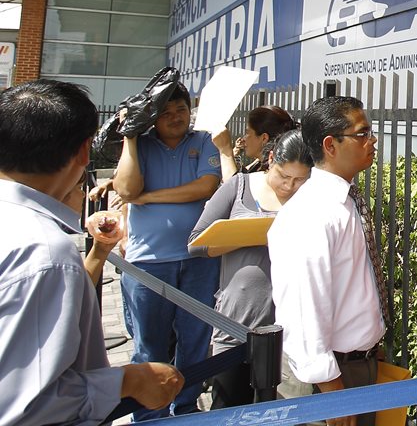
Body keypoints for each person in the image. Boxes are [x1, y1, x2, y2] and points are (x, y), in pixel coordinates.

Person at [0, 79, 184, 426]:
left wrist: (98, 254)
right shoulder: (45, 254)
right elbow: (25, 408)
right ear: (84, 152)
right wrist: (128, 380)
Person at [269, 96, 385, 426]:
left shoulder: (344, 201)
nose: (372, 141)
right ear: (330, 145)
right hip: (325, 382)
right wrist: (332, 390)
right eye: (362, 134)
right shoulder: (311, 213)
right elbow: (303, 309)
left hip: (354, 367)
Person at [113, 84, 222, 419]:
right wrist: (130, 137)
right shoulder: (141, 146)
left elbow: (206, 186)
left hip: (199, 259)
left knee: (195, 342)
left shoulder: (203, 140)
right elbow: (126, 188)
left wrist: (148, 197)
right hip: (148, 263)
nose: (176, 118)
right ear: (153, 117)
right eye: (166, 112)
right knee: (150, 345)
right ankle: (148, 414)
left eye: (181, 110)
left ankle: (185, 408)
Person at [189, 128, 312, 408]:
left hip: (288, 330)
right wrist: (245, 236)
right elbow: (195, 243)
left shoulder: (308, 201)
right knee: (230, 410)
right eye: (283, 176)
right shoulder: (239, 186)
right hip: (237, 322)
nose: (289, 186)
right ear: (271, 159)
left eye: (299, 180)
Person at [214, 105, 298, 179]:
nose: (244, 139)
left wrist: (225, 150)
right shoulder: (261, 165)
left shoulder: (272, 173)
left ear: (264, 138)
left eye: (247, 133)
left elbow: (235, 190)